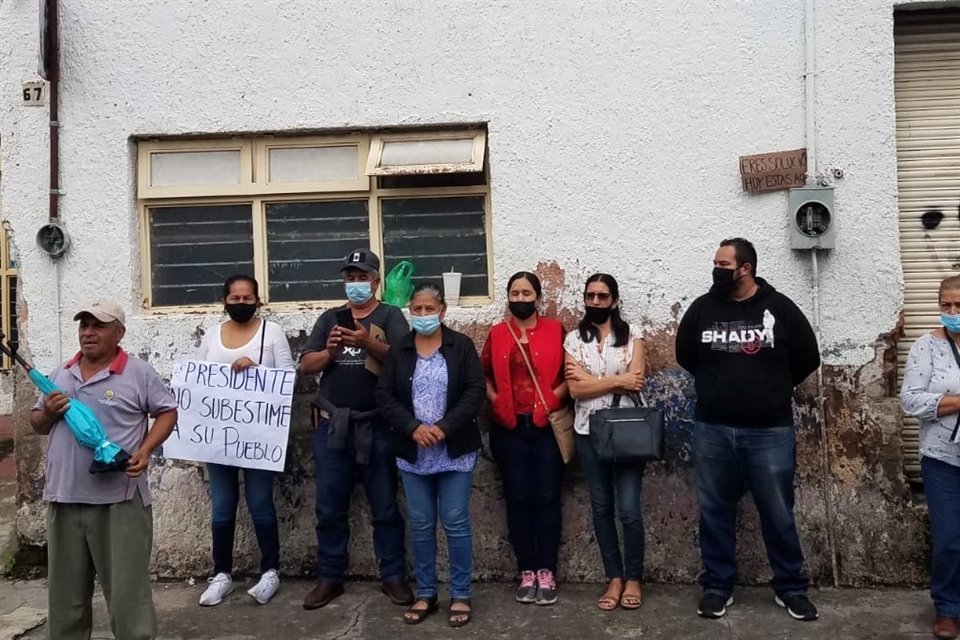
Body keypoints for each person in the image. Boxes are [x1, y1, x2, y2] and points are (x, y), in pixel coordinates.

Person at [675, 237, 821, 621]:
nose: (716, 270)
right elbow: (685, 354)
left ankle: (790, 588)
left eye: (724, 264)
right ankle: (718, 586)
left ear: (745, 269)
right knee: (714, 511)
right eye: (715, 263)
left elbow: (808, 356)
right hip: (713, 430)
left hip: (769, 432)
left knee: (777, 512)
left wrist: (770, 391)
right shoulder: (703, 309)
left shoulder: (780, 308)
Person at [29, 300, 178, 640]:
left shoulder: (138, 373)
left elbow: (167, 411)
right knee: (65, 599)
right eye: (84, 325)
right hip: (64, 499)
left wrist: (145, 450)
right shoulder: (60, 374)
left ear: (119, 333)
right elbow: (37, 423)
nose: (88, 332)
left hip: (119, 502)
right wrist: (49, 412)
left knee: (128, 598)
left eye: (98, 326)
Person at [299, 248, 414, 609]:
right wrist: (331, 352)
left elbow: (405, 360)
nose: (355, 284)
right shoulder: (330, 318)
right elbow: (306, 365)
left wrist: (367, 342)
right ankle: (330, 577)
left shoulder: (391, 315)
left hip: (379, 425)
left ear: (376, 281)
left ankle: (393, 576)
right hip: (333, 426)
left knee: (385, 506)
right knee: (330, 507)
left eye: (362, 277)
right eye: (350, 278)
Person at [376, 283, 485, 627]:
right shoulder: (399, 351)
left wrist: (443, 427)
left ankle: (461, 594)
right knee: (421, 524)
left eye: (429, 309)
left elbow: (475, 391)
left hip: (453, 450)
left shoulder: (461, 346)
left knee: (455, 522)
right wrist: (413, 427)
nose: (423, 315)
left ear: (442, 311)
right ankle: (425, 593)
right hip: (413, 451)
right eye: (417, 309)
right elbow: (385, 395)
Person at [195, 275, 295, 607]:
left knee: (260, 502)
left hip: (259, 437)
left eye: (247, 298)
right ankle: (221, 574)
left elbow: (287, 380)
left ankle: (270, 572)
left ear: (258, 300)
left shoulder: (272, 333)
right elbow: (200, 383)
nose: (241, 303)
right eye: (234, 298)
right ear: (224, 300)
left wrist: (256, 369)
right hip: (218, 439)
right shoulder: (212, 336)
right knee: (222, 507)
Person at [482, 271, 568, 605]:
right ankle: (526, 570)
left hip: (546, 426)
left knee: (547, 498)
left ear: (538, 297)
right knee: (518, 499)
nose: (520, 299)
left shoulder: (555, 331)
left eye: (526, 293)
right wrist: (495, 400)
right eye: (514, 293)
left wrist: (553, 400)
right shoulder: (498, 334)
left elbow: (568, 374)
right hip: (509, 427)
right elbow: (484, 374)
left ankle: (546, 570)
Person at [563, 274, 647, 611]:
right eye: (590, 296)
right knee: (601, 509)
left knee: (628, 509)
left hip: (627, 431)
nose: (595, 302)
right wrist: (617, 380)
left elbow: (637, 381)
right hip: (587, 432)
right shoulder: (573, 340)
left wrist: (592, 379)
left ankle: (634, 577)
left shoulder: (633, 337)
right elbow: (574, 391)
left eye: (602, 296)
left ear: (614, 300)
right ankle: (613, 576)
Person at [901, 275, 960, 640]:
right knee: (949, 538)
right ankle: (947, 608)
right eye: (947, 306)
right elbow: (911, 400)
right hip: (942, 459)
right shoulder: (925, 347)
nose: (953, 312)